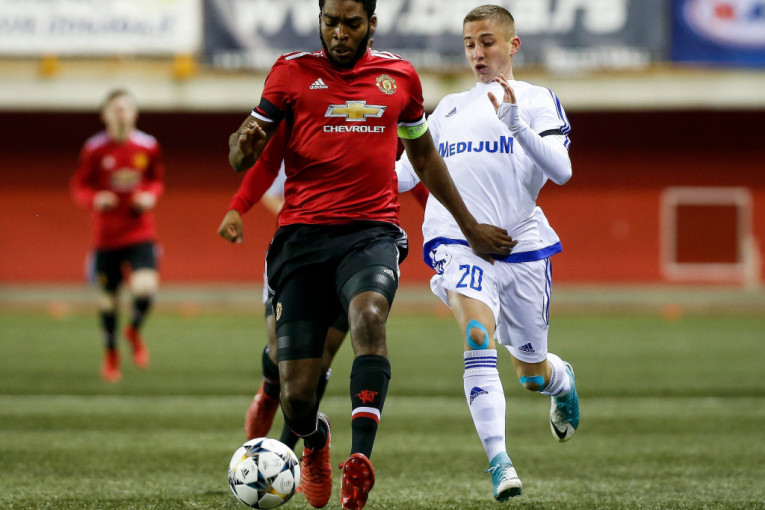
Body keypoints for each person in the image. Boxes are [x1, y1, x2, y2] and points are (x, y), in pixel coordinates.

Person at [227, 0, 514, 508]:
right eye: (330, 22)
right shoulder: (289, 73)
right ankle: (315, 440)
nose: (340, 33)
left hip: (371, 233)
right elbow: (242, 151)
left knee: (370, 318)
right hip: (301, 239)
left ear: (371, 25)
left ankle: (359, 460)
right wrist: (242, 148)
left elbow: (422, 156)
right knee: (297, 396)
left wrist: (469, 227)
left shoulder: (399, 77)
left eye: (352, 23)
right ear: (319, 21)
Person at [396, 4, 579, 502]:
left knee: (531, 375)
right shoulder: (449, 109)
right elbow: (406, 174)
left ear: (513, 45)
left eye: (487, 42)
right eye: (469, 45)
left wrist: (517, 125)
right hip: (458, 241)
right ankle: (500, 461)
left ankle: (561, 382)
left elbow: (562, 171)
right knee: (477, 335)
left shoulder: (537, 100)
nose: (477, 53)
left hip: (521, 247)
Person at [218, 124, 349, 452]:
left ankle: (287, 450)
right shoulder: (303, 116)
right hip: (295, 250)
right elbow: (265, 167)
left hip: (353, 253)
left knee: (319, 359)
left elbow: (417, 164)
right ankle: (269, 388)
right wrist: (237, 207)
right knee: (282, 354)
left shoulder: (373, 117)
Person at [71, 89, 164, 383]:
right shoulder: (94, 148)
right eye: (116, 108)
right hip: (106, 237)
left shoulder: (148, 146)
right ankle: (111, 353)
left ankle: (133, 330)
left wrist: (150, 196)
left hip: (140, 233)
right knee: (108, 301)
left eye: (127, 107)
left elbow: (157, 180)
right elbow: (79, 186)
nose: (122, 112)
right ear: (105, 115)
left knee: (145, 288)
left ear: (135, 113)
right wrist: (95, 198)